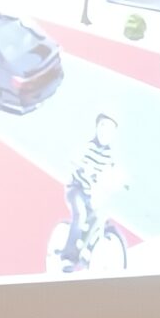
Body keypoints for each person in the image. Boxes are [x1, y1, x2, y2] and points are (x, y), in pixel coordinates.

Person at [61, 112, 125, 272]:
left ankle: (85, 249)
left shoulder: (108, 153)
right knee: (81, 215)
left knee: (99, 216)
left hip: (91, 193)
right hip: (76, 189)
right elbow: (75, 157)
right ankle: (67, 258)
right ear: (97, 128)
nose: (104, 132)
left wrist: (122, 180)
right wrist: (84, 167)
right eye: (102, 127)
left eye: (109, 130)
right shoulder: (88, 146)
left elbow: (113, 168)